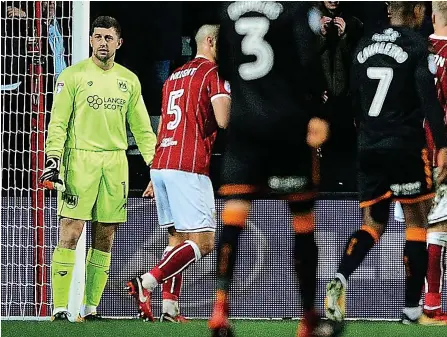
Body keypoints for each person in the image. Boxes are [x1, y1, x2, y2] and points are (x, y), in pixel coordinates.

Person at [207, 2, 332, 337]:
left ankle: (220, 310)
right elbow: (307, 62)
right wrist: (318, 112)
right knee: (302, 219)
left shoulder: (229, 10)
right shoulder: (294, 8)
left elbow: (223, 66)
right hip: (286, 126)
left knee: (233, 215)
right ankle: (308, 319)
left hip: (245, 125)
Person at [324, 1, 447, 329]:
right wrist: (444, 145)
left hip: (368, 144)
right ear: (418, 13)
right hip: (404, 144)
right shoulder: (416, 45)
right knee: (417, 222)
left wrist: (365, 136)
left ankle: (339, 277)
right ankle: (411, 311)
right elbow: (428, 98)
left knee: (373, 223)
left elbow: (353, 97)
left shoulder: (364, 45)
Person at [39, 16, 157, 321]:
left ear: (119, 43)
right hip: (80, 160)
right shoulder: (72, 75)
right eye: (97, 37)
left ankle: (90, 308)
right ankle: (61, 308)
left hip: (115, 163)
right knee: (71, 231)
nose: (102, 42)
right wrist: (53, 158)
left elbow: (143, 129)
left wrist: (155, 168)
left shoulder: (129, 80)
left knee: (105, 236)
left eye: (108, 37)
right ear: (90, 40)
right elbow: (58, 122)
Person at [126, 24, 231, 322]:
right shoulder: (213, 74)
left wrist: (154, 171)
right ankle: (145, 282)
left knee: (178, 239)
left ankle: (169, 308)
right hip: (189, 165)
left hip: (162, 164)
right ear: (210, 42)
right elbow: (223, 120)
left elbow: (165, 125)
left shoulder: (173, 77)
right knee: (204, 242)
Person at [394, 1, 447, 323]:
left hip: (406, 149)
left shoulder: (412, 48)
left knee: (419, 228)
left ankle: (417, 305)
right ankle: (429, 305)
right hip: (439, 151)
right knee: (437, 230)